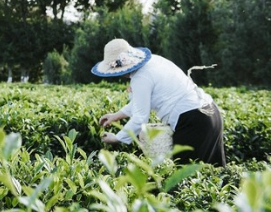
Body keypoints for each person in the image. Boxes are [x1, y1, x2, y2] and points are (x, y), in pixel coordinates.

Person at [92, 38, 225, 166]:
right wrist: (116, 116)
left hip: (193, 122)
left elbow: (140, 117)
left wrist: (117, 138)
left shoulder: (140, 78)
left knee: (186, 177)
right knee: (214, 174)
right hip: (211, 112)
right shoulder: (155, 61)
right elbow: (140, 102)